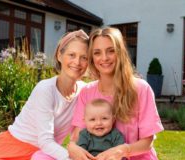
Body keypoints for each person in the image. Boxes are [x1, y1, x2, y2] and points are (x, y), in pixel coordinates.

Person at [0, 29, 89, 160]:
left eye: (84, 57)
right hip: (11, 151)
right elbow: (46, 142)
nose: (77, 62)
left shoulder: (84, 91)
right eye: (71, 55)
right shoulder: (46, 89)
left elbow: (76, 138)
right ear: (59, 56)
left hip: (44, 155)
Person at [68, 27, 164, 160]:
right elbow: (77, 138)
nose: (104, 58)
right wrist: (72, 146)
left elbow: (147, 142)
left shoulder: (141, 89)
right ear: (91, 57)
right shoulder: (87, 92)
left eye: (110, 51)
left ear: (120, 52)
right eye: (97, 53)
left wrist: (123, 151)